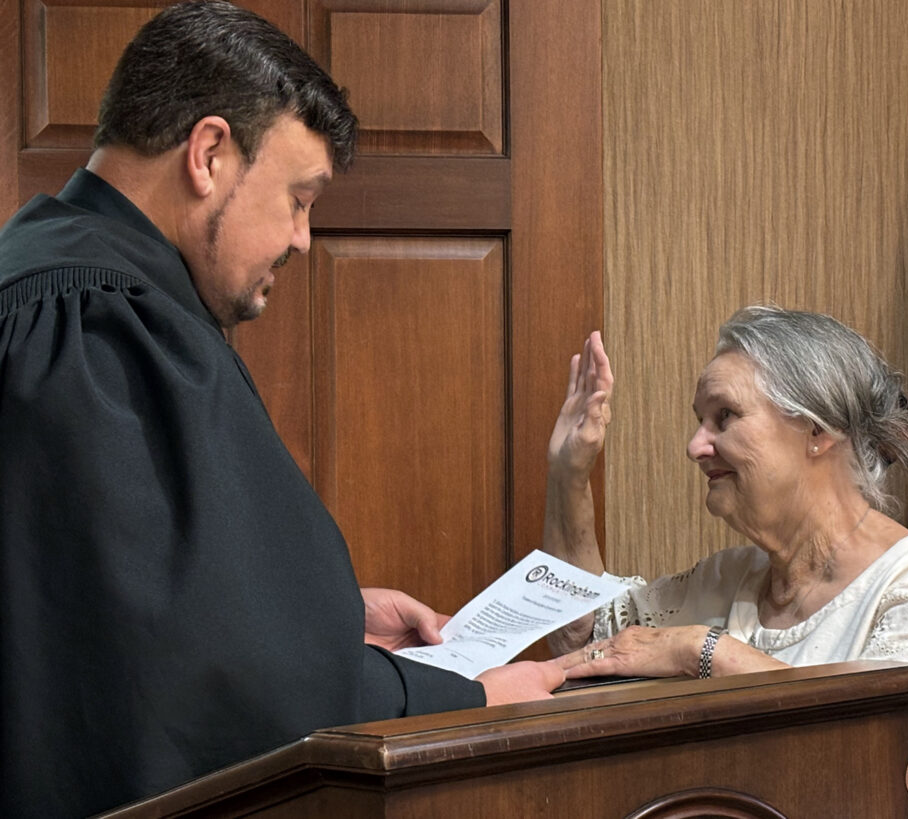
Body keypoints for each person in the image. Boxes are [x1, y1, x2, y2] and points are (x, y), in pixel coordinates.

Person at [0, 3, 563, 816]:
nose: (303, 238)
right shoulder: (100, 326)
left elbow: (87, 603)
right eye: (300, 198)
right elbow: (205, 680)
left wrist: (318, 614)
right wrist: (459, 697)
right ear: (209, 154)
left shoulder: (41, 276)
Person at [543, 307, 908, 819]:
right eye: (699, 421)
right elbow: (586, 635)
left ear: (817, 430)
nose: (696, 446)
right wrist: (568, 473)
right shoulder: (732, 578)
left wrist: (703, 652)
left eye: (724, 417)